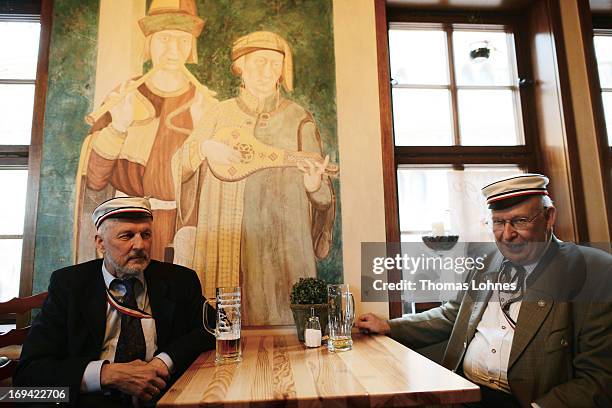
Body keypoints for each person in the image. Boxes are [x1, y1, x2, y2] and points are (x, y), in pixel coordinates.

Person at [357, 174, 612, 407]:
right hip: (463, 392)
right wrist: (390, 326)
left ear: (549, 217)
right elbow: (452, 315)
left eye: (520, 221)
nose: (507, 234)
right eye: (498, 223)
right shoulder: (487, 259)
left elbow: (600, 377)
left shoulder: (594, 271)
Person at [171, 31, 336, 325]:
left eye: (274, 65)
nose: (266, 72)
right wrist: (206, 148)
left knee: (288, 328)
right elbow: (181, 163)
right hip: (234, 240)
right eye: (259, 62)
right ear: (241, 67)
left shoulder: (299, 118)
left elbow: (323, 192)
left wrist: (314, 186)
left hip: (286, 241)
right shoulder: (220, 114)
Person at [14, 197, 215, 406]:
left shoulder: (179, 280)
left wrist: (164, 362)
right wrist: (106, 374)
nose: (140, 245)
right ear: (100, 243)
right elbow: (28, 376)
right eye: (127, 235)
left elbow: (216, 326)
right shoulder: (69, 286)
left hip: (163, 398)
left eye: (146, 235)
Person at [73, 0, 217, 263]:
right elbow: (94, 180)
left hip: (183, 227)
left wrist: (204, 133)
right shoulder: (126, 96)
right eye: (164, 39)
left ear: (191, 47)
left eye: (182, 40)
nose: (173, 50)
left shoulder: (205, 105)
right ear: (149, 43)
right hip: (129, 224)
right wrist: (118, 127)